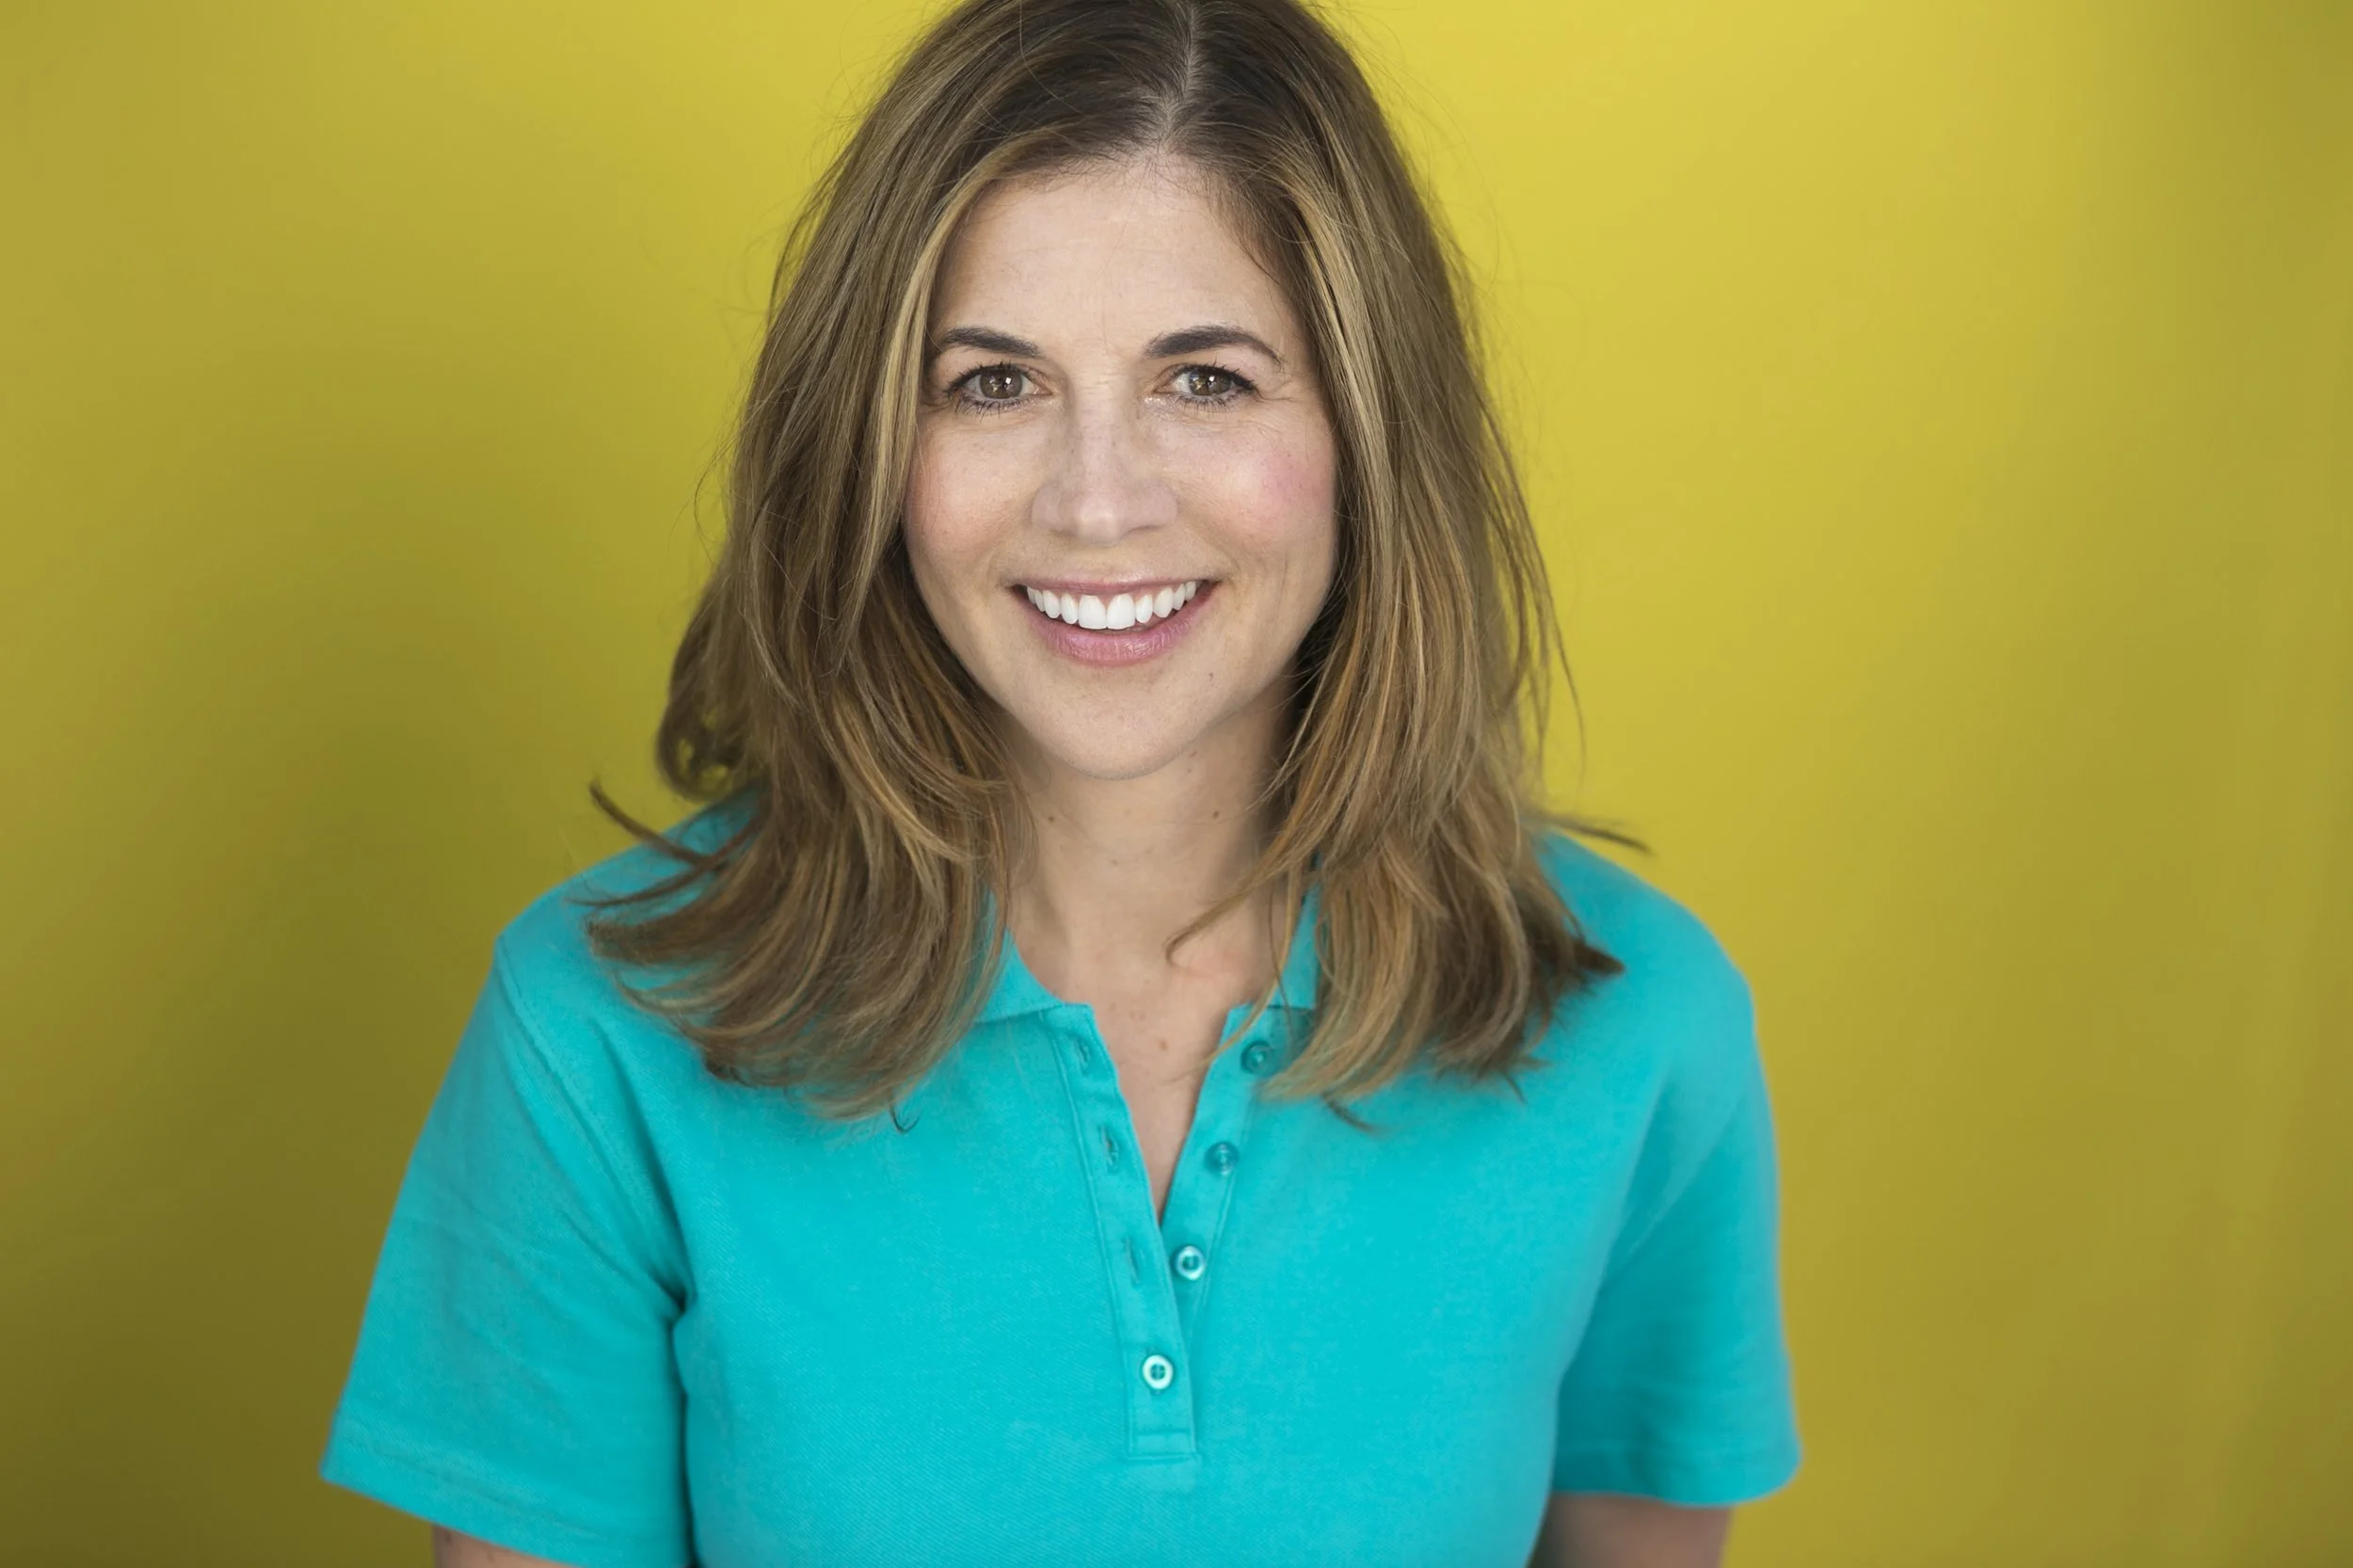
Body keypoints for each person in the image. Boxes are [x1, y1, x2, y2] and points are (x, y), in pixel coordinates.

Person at [319, 0, 1800, 1562]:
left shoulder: (1641, 1027)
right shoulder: (600, 1032)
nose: (1098, 505)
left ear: (1370, 432)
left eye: (1207, 381)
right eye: (993, 384)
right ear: (870, 443)